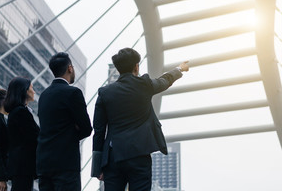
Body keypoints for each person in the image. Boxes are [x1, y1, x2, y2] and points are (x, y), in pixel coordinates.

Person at [91, 48, 189, 191]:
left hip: (113, 157)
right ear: (136, 66)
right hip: (139, 155)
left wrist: (97, 167)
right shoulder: (144, 85)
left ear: (118, 68)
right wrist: (179, 69)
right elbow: (164, 81)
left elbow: (99, 131)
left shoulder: (105, 93)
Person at [37, 52, 92, 191]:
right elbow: (86, 128)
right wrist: (70, 132)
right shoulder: (73, 93)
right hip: (65, 163)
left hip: (44, 164)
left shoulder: (43, 96)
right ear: (70, 68)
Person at [4, 77, 40, 191]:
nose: (34, 91)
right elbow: (34, 136)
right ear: (24, 90)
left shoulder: (19, 111)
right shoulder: (20, 112)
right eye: (31, 88)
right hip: (23, 166)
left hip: (22, 166)